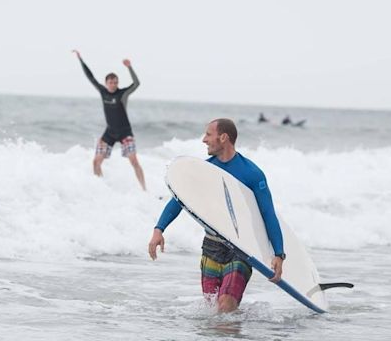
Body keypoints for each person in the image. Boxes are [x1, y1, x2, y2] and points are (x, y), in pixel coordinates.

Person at [148, 118, 285, 313]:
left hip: (240, 248)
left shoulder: (252, 173)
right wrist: (158, 229)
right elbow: (179, 201)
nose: (204, 140)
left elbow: (267, 213)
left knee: (226, 305)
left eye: (208, 134)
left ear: (223, 137)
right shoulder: (206, 171)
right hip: (211, 246)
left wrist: (278, 253)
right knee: (212, 310)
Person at [72, 50, 146, 190]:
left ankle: (144, 190)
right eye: (111, 82)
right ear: (106, 83)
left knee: (134, 161)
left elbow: (136, 83)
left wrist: (129, 67)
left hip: (125, 133)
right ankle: (101, 188)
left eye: (115, 82)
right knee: (96, 162)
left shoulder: (122, 93)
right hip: (110, 133)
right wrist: (81, 59)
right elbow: (90, 77)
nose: (113, 85)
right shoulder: (103, 91)